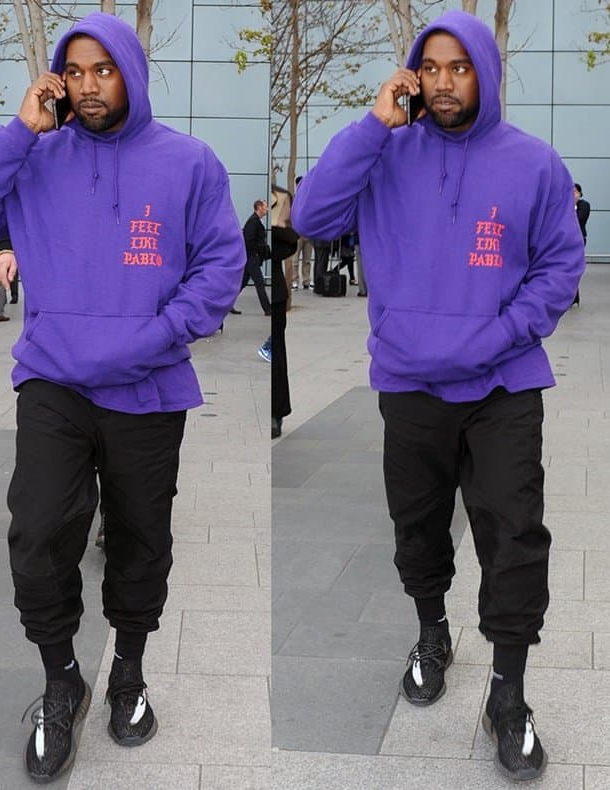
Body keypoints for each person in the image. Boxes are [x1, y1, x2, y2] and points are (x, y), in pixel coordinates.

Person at [0, 12, 244, 784]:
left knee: (142, 538)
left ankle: (130, 671)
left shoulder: (189, 162)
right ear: (57, 81)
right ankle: (60, 678)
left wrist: (157, 334)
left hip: (148, 386)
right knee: (38, 536)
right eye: (73, 71)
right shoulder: (35, 156)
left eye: (103, 69)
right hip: (55, 380)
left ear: (132, 73)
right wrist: (19, 129)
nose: (87, 84)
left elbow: (217, 266)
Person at [292, 10, 584, 783]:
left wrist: (503, 333)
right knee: (418, 528)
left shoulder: (534, 164)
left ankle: (509, 695)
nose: (445, 81)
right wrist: (372, 124)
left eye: (461, 66)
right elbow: (315, 217)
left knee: (514, 532)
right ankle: (433, 634)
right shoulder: (385, 153)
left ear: (483, 72)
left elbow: (559, 266)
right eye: (433, 67)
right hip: (411, 382)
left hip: (503, 384)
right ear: (412, 76)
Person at [271, 185, 297, 439]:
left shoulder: (281, 196)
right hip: (262, 288)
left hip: (276, 291)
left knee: (277, 352)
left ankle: (276, 412)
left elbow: (291, 242)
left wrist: (275, 227)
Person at [233, 199, 271, 316]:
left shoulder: (256, 221)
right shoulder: (253, 222)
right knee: (259, 283)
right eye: (265, 206)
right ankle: (268, 309)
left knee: (242, 283)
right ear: (259, 207)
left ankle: (227, 303)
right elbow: (248, 240)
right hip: (251, 258)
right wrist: (258, 252)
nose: (267, 209)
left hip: (251, 257)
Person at [292, 176, 313, 289]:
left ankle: (306, 281)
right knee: (295, 259)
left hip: (308, 233)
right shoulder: (294, 198)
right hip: (296, 233)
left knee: (307, 259)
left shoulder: (308, 198)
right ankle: (294, 280)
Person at [571, 182, 590, 306]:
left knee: (573, 265)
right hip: (566, 239)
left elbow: (579, 219)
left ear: (579, 193)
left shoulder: (584, 205)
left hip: (578, 239)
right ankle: (574, 295)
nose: (573, 194)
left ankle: (573, 296)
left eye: (575, 192)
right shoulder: (565, 205)